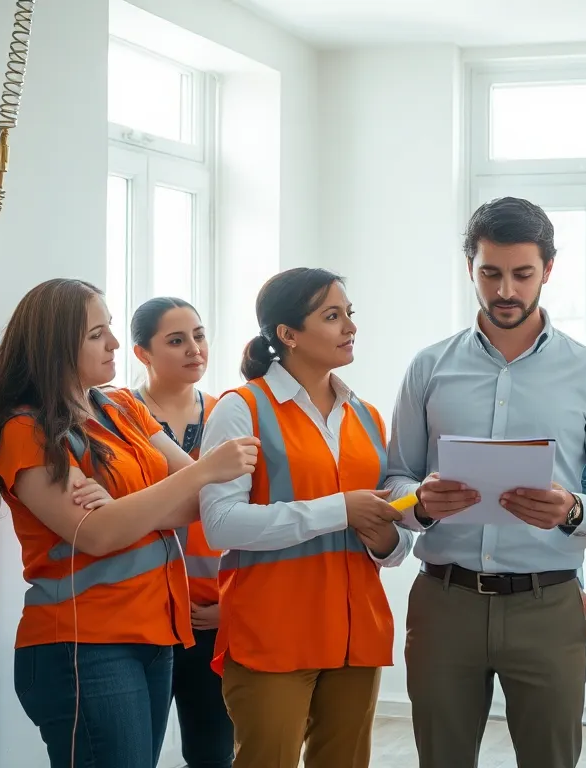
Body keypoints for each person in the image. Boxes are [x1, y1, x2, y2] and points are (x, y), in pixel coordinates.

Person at [384, 196, 586, 768]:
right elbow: (394, 482)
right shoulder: (429, 368)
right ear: (470, 269)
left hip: (547, 605)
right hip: (443, 603)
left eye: (522, 274)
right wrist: (420, 504)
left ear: (548, 271)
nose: (506, 290)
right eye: (491, 273)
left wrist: (573, 511)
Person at [0, 278, 258, 768]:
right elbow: (99, 534)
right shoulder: (24, 430)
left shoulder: (121, 406)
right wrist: (205, 470)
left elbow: (202, 503)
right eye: (96, 334)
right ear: (54, 345)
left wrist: (125, 504)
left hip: (154, 635)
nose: (114, 344)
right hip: (84, 645)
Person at [198, 267, 414, 768]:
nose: (350, 328)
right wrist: (340, 509)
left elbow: (393, 544)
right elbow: (221, 524)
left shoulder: (366, 416)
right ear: (288, 335)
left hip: (356, 634)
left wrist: (386, 538)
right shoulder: (241, 408)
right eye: (332, 316)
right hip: (273, 633)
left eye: (349, 315)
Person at [129, 296, 233, 768]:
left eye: (199, 335)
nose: (194, 348)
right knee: (134, 753)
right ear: (142, 354)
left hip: (213, 615)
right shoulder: (116, 417)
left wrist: (229, 607)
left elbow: (259, 514)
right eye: (176, 340)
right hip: (143, 617)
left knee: (213, 753)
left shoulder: (229, 415)